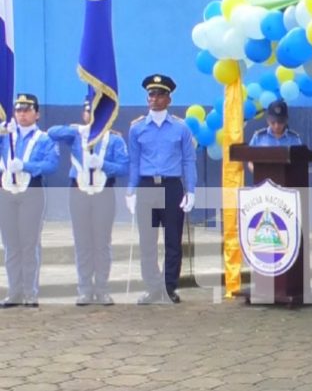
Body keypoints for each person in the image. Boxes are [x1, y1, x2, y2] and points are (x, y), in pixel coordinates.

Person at [47, 98, 129, 306]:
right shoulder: (76, 135)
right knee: (82, 242)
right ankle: (84, 289)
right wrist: (78, 129)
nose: (91, 115)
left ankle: (102, 289)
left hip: (103, 193)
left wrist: (104, 163)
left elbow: (124, 168)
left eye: (95, 112)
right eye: (87, 111)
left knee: (102, 243)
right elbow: (52, 132)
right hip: (78, 192)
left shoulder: (114, 140)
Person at [126, 74, 197, 304]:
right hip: (147, 186)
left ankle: (169, 288)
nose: (154, 98)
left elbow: (188, 160)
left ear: (169, 98)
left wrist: (191, 190)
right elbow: (134, 162)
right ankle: (152, 288)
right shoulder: (137, 129)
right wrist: (131, 190)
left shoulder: (181, 128)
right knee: (147, 241)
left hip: (171, 186)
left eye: (159, 94)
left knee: (173, 241)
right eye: (151, 94)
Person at [0, 94, 59, 308]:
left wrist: (25, 166)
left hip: (31, 192)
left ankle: (30, 292)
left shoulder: (44, 139)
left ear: (36, 113)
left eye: (26, 109)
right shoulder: (6, 136)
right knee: (11, 244)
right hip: (7, 193)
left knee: (29, 243)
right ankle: (14, 292)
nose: (22, 114)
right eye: (18, 110)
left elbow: (51, 165)